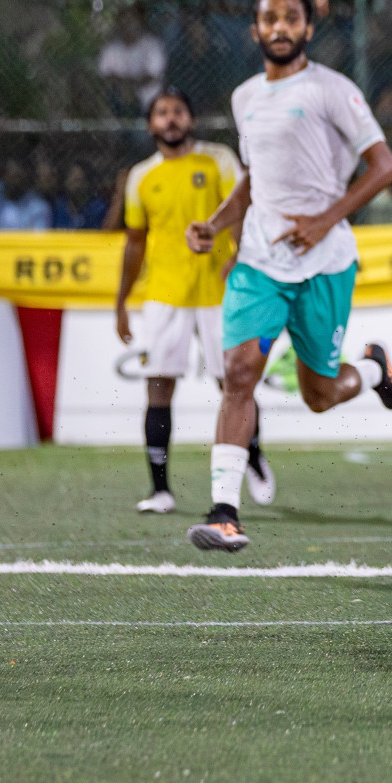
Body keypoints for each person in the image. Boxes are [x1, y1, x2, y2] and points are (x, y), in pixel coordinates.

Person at [183, 0, 392, 551]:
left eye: (291, 18)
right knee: (237, 374)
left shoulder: (333, 90)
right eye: (269, 18)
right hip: (259, 261)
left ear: (308, 29)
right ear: (254, 31)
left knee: (320, 394)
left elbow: (383, 166)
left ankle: (375, 370)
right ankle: (224, 512)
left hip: (324, 264)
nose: (279, 26)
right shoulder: (245, 97)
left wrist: (326, 219)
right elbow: (254, 180)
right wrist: (217, 223)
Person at [117, 86, 272, 515]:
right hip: (165, 296)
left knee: (234, 383)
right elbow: (134, 243)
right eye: (162, 113)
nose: (170, 119)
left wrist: (239, 254)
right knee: (159, 388)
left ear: (191, 118)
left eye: (178, 111)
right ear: (151, 124)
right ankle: (161, 490)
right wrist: (120, 301)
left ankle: (254, 457)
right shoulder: (140, 177)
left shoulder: (218, 158)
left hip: (220, 293)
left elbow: (244, 207)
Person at [98, 6, 166, 118]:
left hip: (147, 105)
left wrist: (126, 85)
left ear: (139, 22)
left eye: (131, 20)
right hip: (117, 104)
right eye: (123, 21)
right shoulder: (111, 49)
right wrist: (128, 85)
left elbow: (150, 77)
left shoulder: (152, 45)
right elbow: (104, 78)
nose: (127, 25)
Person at [0, 157, 52, 231]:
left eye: (16, 177)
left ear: (25, 178)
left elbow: (37, 239)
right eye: (8, 175)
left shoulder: (39, 207)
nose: (12, 182)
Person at [52, 161, 110, 230]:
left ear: (87, 183)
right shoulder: (58, 205)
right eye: (71, 178)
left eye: (78, 180)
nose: (74, 184)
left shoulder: (98, 207)